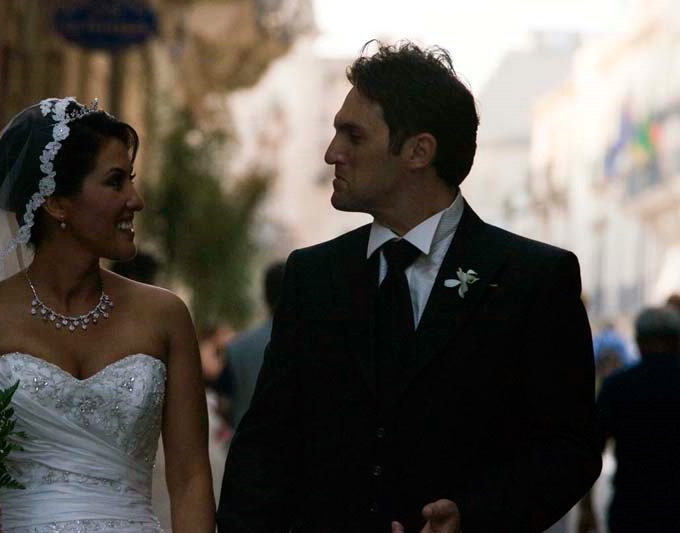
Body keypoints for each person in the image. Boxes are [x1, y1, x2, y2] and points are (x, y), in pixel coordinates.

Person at [218, 41, 600, 533]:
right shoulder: (313, 275)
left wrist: (473, 513)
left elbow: (569, 449)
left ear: (419, 150)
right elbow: (266, 445)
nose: (332, 152)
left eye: (353, 136)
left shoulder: (532, 279)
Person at [0, 97, 215, 533]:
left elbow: (190, 480)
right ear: (56, 203)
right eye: (116, 183)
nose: (136, 200)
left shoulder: (165, 317)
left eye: (130, 181)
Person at [577, 305, 680, 533]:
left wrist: (586, 508)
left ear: (639, 341)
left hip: (632, 505)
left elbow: (591, 451)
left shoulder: (618, 386)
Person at [220, 260, 285, 430]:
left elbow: (223, 403)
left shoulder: (238, 346)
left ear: (265, 295)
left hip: (245, 444)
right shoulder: (309, 344)